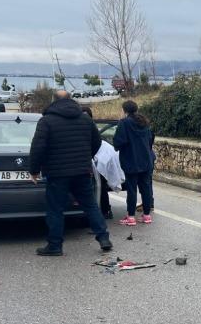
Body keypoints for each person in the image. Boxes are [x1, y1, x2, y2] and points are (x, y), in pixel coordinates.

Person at [29, 90, 112, 256]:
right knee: (90, 205)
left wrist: (34, 170)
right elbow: (97, 143)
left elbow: (38, 147)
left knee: (55, 209)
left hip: (57, 173)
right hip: (82, 171)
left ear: (54, 101)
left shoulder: (46, 121)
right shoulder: (85, 119)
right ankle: (103, 238)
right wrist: (85, 157)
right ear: (71, 100)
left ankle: (55, 245)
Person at [113, 100, 154, 226]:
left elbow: (118, 142)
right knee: (146, 188)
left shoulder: (124, 123)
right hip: (146, 161)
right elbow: (150, 140)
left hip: (131, 161)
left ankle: (131, 217)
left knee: (132, 189)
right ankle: (147, 215)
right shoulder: (145, 123)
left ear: (125, 111)